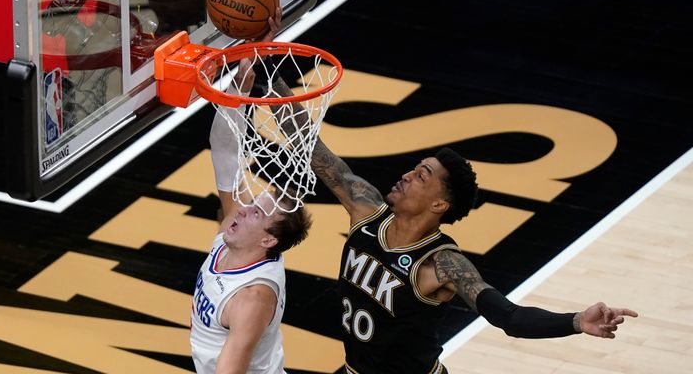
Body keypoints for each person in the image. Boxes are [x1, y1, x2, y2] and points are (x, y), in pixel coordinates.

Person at [258, 67, 639, 374]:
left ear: (439, 205)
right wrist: (269, 75)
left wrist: (574, 321)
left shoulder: (442, 264)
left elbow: (510, 318)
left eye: (421, 175)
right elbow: (313, 147)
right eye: (414, 169)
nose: (407, 175)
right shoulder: (367, 210)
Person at [190, 11, 311, 374]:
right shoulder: (236, 234)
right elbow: (225, 151)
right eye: (250, 205)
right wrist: (242, 81)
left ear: (268, 241)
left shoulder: (252, 297)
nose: (242, 210)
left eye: (256, 213)